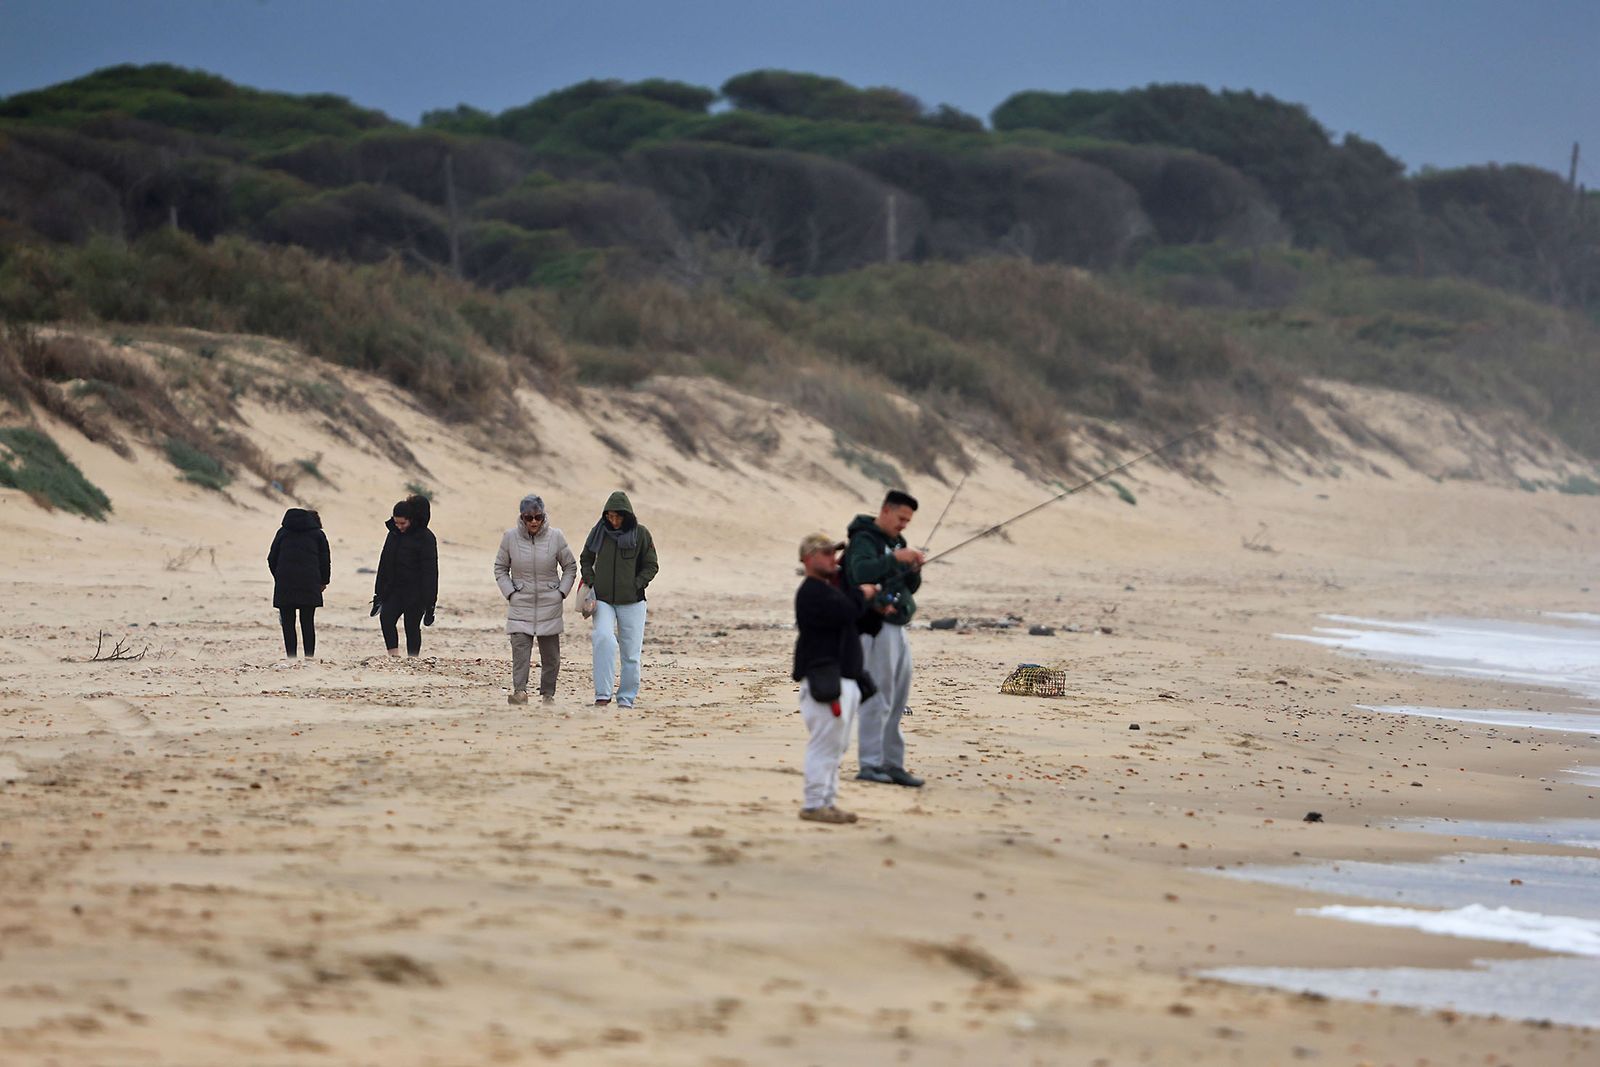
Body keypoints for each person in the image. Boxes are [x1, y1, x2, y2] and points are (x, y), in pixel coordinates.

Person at [793, 532, 878, 824]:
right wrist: (862, 594)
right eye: (826, 553)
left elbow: (861, 619)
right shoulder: (812, 592)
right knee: (825, 745)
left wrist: (873, 601)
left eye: (834, 553)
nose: (834, 558)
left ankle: (826, 801)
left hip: (843, 680)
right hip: (825, 682)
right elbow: (847, 610)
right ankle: (815, 803)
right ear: (808, 558)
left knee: (837, 746)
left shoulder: (831, 590)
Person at [844, 489, 925, 787]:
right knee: (878, 696)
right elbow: (860, 572)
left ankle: (892, 763)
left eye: (908, 520)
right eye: (901, 518)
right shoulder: (864, 539)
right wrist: (895, 559)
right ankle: (870, 763)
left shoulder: (897, 543)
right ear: (886, 510)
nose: (903, 525)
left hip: (898, 625)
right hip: (875, 628)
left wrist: (913, 569)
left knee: (898, 697)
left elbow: (908, 587)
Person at [494, 493, 576, 705]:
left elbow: (570, 567)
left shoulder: (556, 537)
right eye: (528, 517)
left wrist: (561, 593)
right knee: (520, 652)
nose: (533, 522)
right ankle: (519, 691)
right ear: (521, 517)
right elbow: (500, 568)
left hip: (550, 604)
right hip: (520, 603)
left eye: (538, 517)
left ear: (543, 516)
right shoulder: (509, 537)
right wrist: (510, 592)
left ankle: (548, 694)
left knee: (551, 657)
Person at [579, 490, 658, 708]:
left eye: (617, 516)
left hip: (633, 601)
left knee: (631, 655)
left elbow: (651, 565)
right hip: (603, 599)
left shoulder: (641, 534)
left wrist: (636, 584)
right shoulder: (599, 533)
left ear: (627, 515)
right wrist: (591, 579)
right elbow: (586, 558)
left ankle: (626, 698)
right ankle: (602, 695)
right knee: (603, 638)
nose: (613, 521)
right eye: (609, 516)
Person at [373, 495, 438, 658]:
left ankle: (413, 659)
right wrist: (378, 592)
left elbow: (430, 572)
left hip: (416, 592)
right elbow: (384, 563)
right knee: (386, 619)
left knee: (412, 626)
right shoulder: (393, 534)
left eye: (403, 523)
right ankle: (394, 656)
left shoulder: (426, 538)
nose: (399, 526)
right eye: (396, 522)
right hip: (394, 589)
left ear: (411, 520)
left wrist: (430, 602)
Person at [267, 507, 330, 663]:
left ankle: (291, 657)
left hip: (285, 582)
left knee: (288, 623)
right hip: (310, 582)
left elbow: (271, 558)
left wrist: (280, 576)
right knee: (307, 621)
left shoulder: (282, 532)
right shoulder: (318, 535)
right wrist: (324, 581)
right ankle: (309, 657)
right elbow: (325, 561)